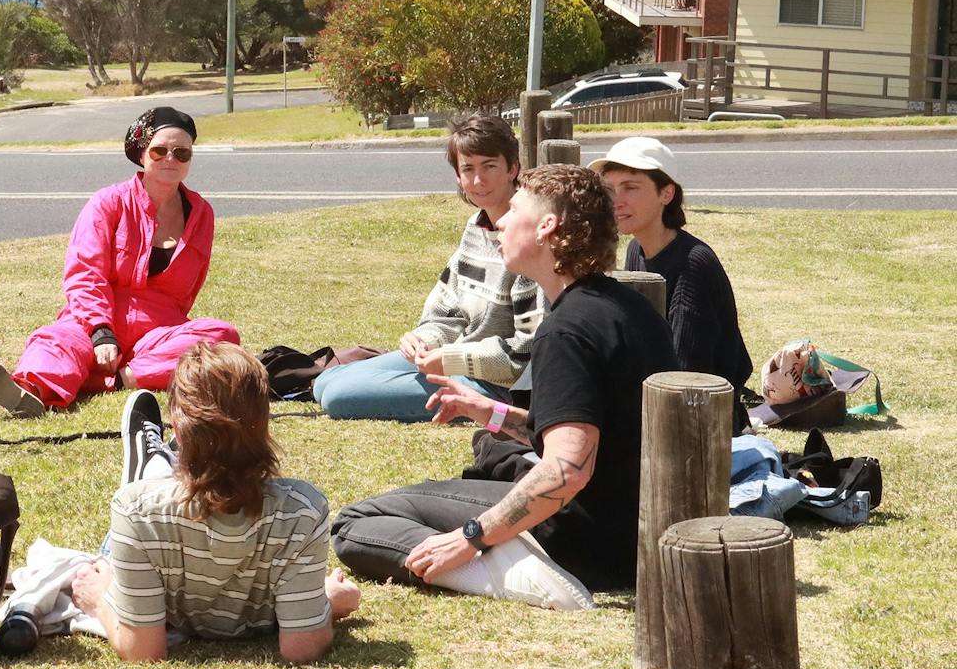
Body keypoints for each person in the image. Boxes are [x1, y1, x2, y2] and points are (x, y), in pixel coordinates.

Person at [330, 164, 680, 608]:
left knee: (357, 522)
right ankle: (502, 551)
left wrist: (471, 537)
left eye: (514, 210)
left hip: (583, 543)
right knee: (435, 485)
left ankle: (514, 572)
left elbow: (568, 470)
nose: (500, 222)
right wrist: (490, 412)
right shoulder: (623, 305)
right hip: (633, 529)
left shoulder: (566, 331)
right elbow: (592, 434)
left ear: (547, 226)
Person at [67, 342, 361, 663]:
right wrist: (327, 603)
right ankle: (150, 468)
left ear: (178, 430)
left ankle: (150, 465)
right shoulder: (303, 509)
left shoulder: (136, 510)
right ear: (265, 423)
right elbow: (302, 647)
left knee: (132, 510)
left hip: (152, 517)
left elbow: (143, 651)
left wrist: (101, 600)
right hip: (164, 517)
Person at [0, 106, 239, 416]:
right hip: (94, 322)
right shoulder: (108, 202)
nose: (170, 159)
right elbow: (84, 273)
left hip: (157, 333)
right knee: (56, 340)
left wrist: (160, 340)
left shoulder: (202, 214)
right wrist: (101, 332)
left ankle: (116, 380)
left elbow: (189, 290)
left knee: (222, 337)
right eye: (160, 150)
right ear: (142, 153)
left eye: (182, 153)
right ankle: (30, 392)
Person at [315, 113, 542, 421]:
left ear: (512, 168)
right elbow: (447, 309)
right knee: (325, 380)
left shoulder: (529, 239)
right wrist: (424, 340)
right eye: (468, 169)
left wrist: (449, 359)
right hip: (453, 358)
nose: (478, 180)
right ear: (458, 177)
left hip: (493, 385)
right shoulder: (475, 229)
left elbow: (524, 354)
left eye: (489, 166)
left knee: (339, 396)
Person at [591, 135, 753, 432]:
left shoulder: (693, 263)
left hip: (698, 421)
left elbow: (687, 369)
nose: (617, 201)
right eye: (610, 189)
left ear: (666, 193)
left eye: (630, 187)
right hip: (655, 402)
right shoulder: (635, 249)